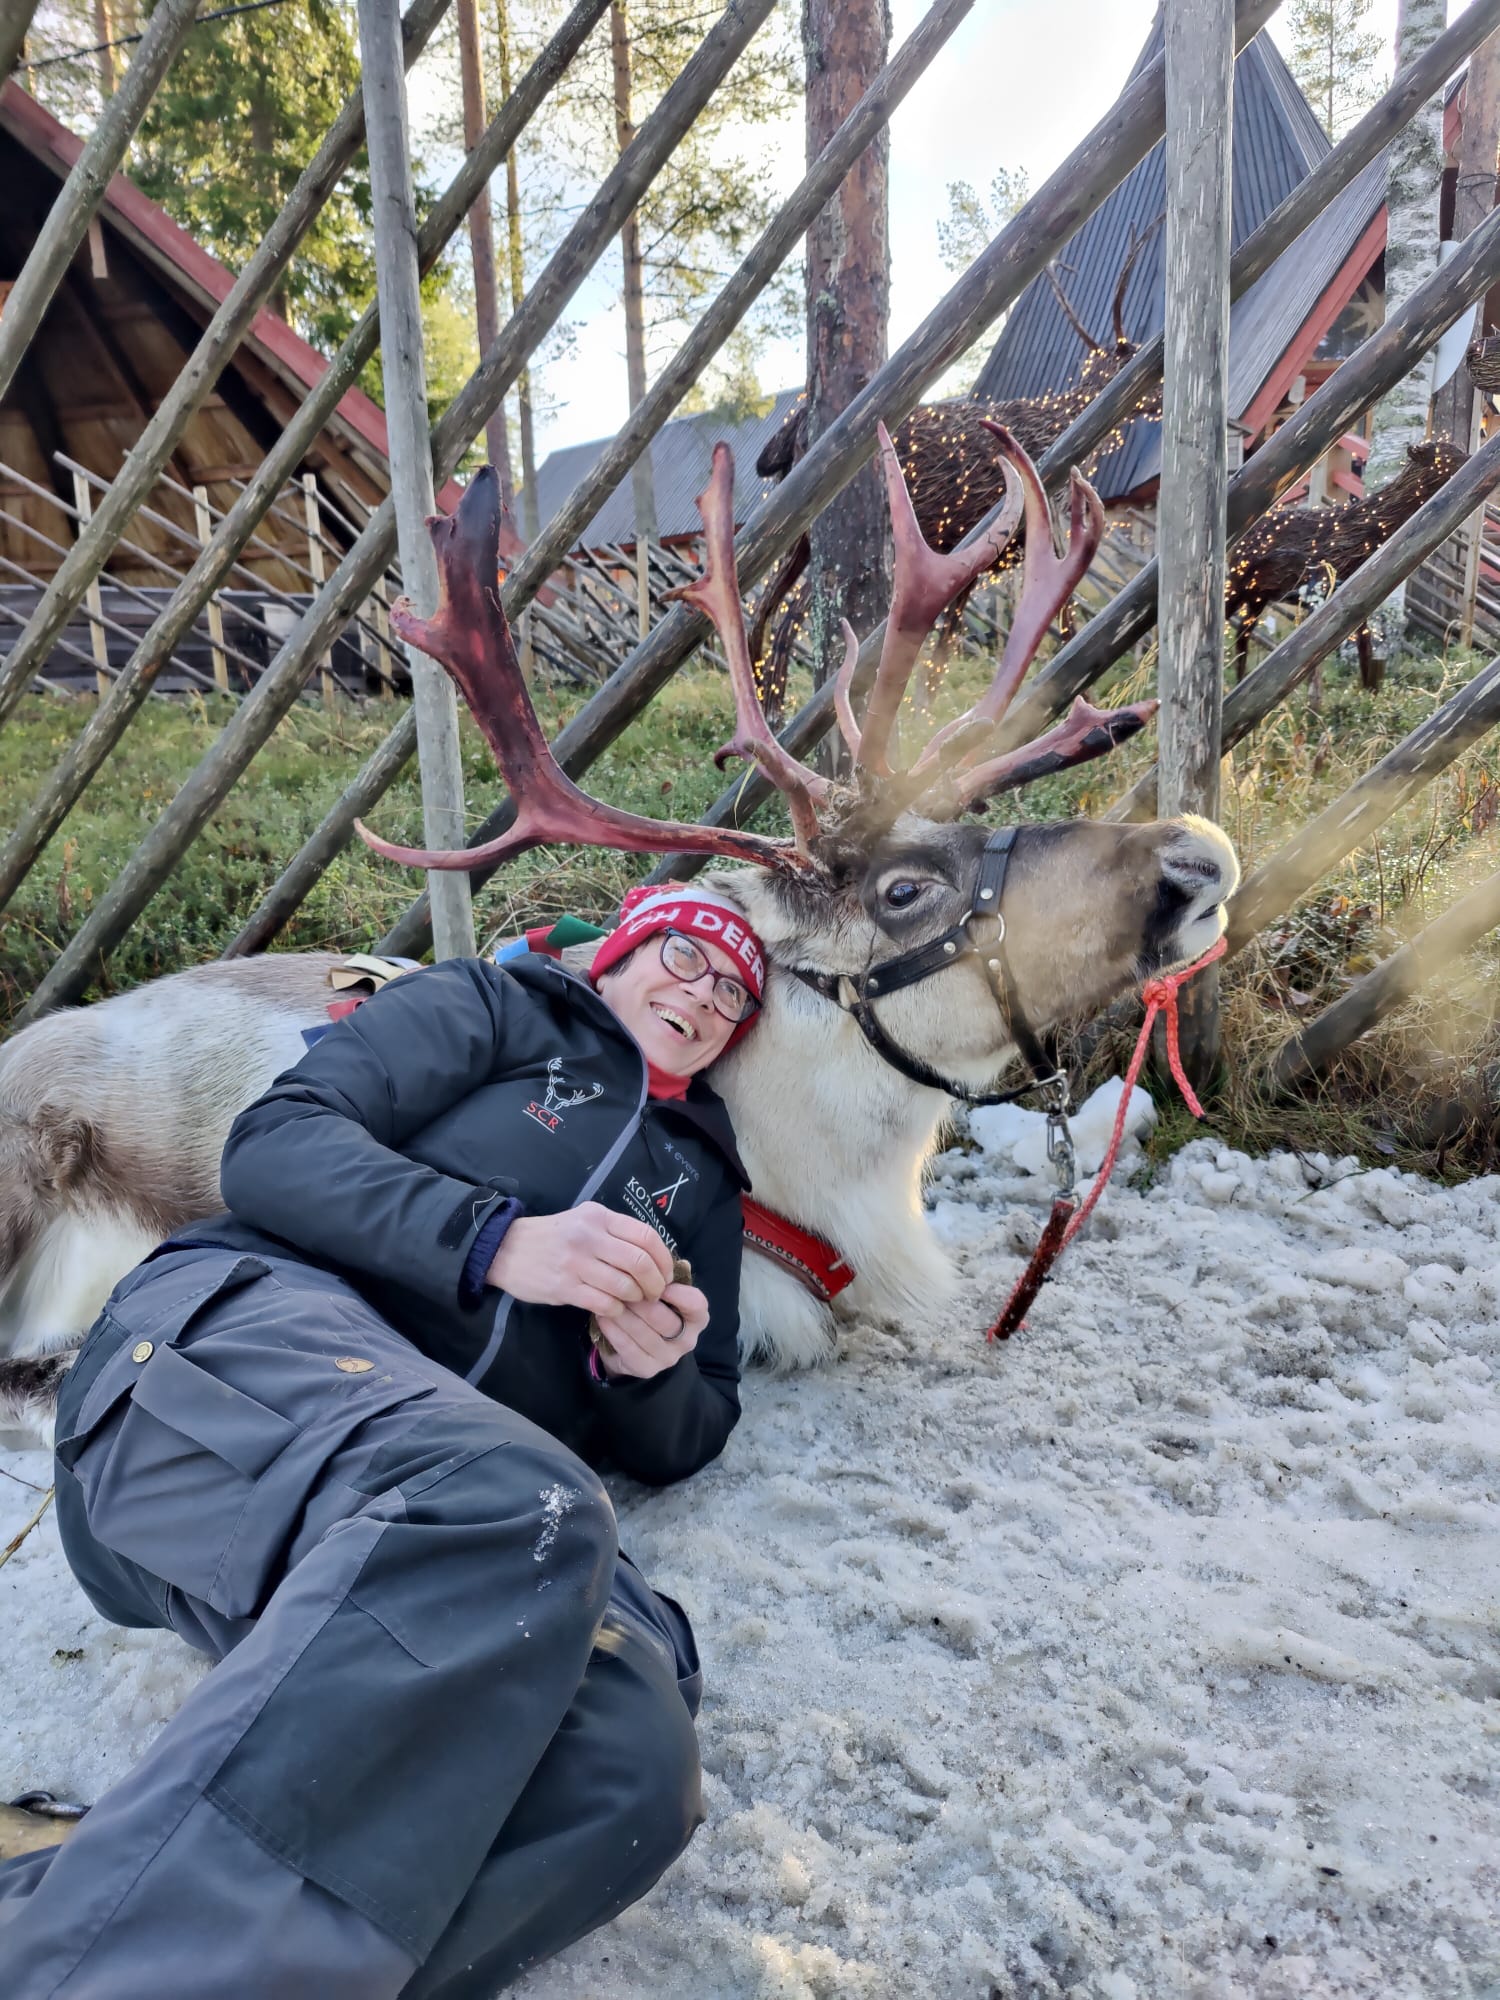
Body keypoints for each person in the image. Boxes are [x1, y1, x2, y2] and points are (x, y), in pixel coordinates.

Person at [0, 885, 767, 2000]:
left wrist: (645, 1371)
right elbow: (273, 1146)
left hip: (410, 1542)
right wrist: (496, 1240)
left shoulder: (704, 1185)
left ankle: (84, 1914)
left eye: (735, 991)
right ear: (617, 952)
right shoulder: (496, 1008)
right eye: (685, 956)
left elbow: (698, 1422)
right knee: (518, 1498)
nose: (705, 993)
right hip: (241, 1363)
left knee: (631, 1766)